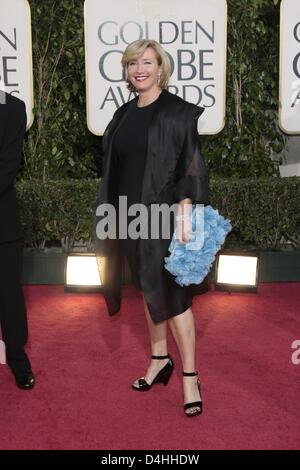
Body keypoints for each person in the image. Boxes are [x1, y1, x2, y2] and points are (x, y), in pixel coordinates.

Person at [96, 40, 209, 416]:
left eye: (147, 62)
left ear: (161, 68)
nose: (139, 69)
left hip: (164, 217)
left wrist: (185, 212)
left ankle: (190, 376)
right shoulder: (124, 115)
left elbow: (190, 166)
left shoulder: (177, 113)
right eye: (132, 63)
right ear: (127, 71)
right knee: (148, 290)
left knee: (174, 298)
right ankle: (160, 359)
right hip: (130, 218)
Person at [0, 90, 35, 390]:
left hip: (2, 222)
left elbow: (8, 167)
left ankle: (18, 360)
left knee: (9, 294)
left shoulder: (13, 108)